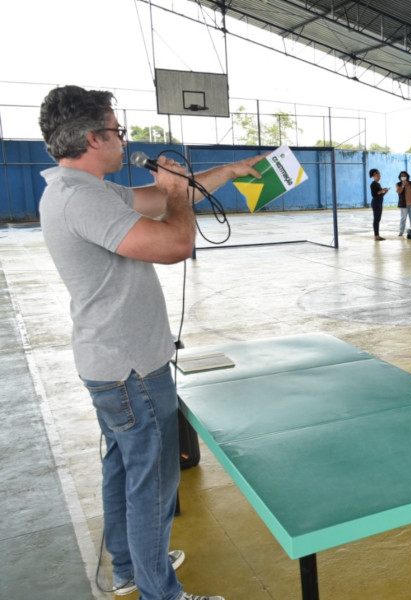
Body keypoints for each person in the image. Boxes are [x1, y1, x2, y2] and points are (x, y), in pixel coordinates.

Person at [37, 85, 263, 600]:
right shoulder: (82, 200)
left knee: (122, 468)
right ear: (94, 138)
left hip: (113, 364)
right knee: (153, 487)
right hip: (131, 370)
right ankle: (162, 591)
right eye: (117, 131)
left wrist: (220, 175)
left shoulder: (81, 189)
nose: (123, 140)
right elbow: (175, 241)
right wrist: (180, 196)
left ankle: (129, 568)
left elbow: (161, 198)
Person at [396, 170, 411, 236]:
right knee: (403, 218)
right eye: (402, 176)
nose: (403, 177)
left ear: (407, 176)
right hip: (403, 204)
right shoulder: (398, 184)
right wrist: (403, 185)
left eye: (404, 175)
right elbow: (399, 192)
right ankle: (401, 231)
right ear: (400, 177)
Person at [369, 168, 388, 241]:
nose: (379, 177)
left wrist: (385, 192)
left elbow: (380, 194)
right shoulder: (373, 184)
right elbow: (375, 194)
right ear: (374, 176)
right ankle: (376, 235)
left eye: (380, 176)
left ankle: (377, 235)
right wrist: (382, 190)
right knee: (376, 219)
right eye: (378, 176)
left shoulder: (378, 184)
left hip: (379, 202)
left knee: (378, 219)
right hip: (376, 203)